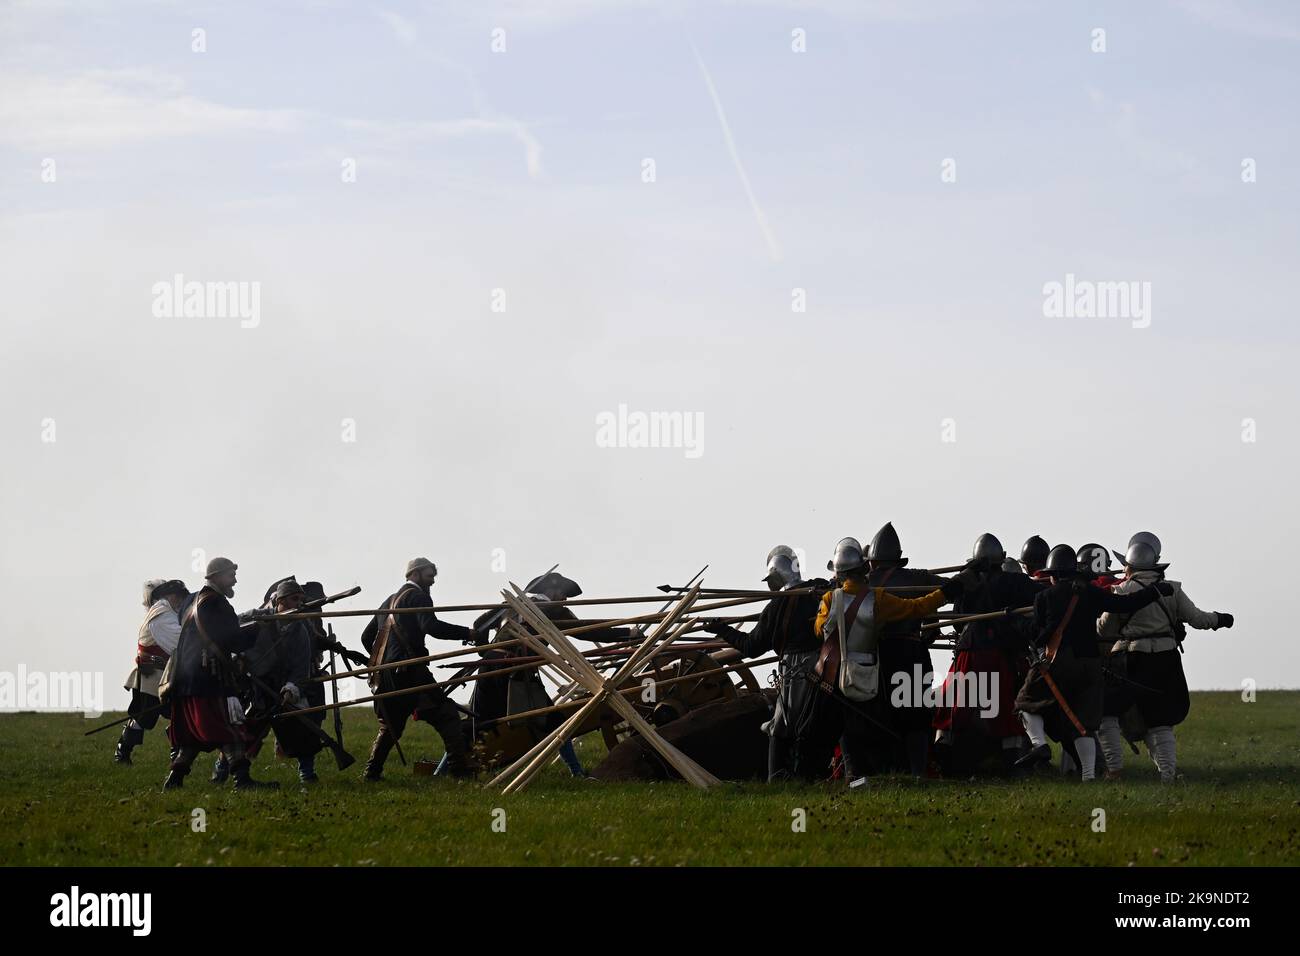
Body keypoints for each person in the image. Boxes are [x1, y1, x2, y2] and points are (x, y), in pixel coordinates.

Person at [805, 537, 971, 784]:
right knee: (873, 721)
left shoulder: (830, 599)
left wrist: (823, 603)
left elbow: (820, 631)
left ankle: (853, 775)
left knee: (845, 725)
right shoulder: (878, 598)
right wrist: (948, 593)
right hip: (870, 669)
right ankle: (892, 772)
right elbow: (916, 608)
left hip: (838, 671)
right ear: (864, 569)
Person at [1014, 545, 1172, 781]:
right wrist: (1155, 591)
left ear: (1053, 574)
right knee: (1085, 722)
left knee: (1025, 702)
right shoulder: (1089, 592)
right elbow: (1125, 604)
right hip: (1090, 664)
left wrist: (1015, 621)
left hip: (1058, 664)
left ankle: (1039, 744)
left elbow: (1038, 635)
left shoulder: (1044, 597)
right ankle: (1088, 776)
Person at [1096, 540, 1234, 782]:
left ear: (1129, 566)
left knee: (1107, 712)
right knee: (1161, 720)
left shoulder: (1122, 590)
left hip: (1130, 658)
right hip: (1166, 658)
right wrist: (1220, 619)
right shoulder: (1172, 589)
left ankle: (1115, 770)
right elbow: (1199, 619)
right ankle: (1167, 776)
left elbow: (1103, 628)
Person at [705, 546, 831, 781]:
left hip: (796, 670)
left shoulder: (776, 607)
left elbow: (751, 647)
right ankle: (802, 775)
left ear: (776, 574)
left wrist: (721, 629)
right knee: (811, 721)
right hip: (826, 664)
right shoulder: (820, 590)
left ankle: (779, 776)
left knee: (783, 725)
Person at [359, 557, 478, 780]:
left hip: (385, 675)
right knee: (447, 715)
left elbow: (367, 638)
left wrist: (384, 661)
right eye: (429, 576)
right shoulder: (419, 596)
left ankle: (371, 773)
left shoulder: (389, 601)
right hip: (410, 672)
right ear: (414, 574)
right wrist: (467, 633)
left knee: (391, 726)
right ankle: (459, 771)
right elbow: (431, 627)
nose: (432, 582)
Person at [164, 557, 277, 790]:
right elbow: (232, 640)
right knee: (230, 731)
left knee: (192, 738)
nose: (234, 579)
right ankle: (242, 780)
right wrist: (259, 627)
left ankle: (174, 781)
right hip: (209, 679)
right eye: (230, 575)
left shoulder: (191, 601)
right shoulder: (217, 603)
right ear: (216, 576)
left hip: (186, 679)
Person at [864, 523, 949, 777]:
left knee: (879, 714)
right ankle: (916, 772)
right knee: (916, 718)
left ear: (873, 561)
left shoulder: (864, 581)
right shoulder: (917, 577)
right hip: (912, 654)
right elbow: (951, 589)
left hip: (877, 657)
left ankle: (885, 770)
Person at [115, 579, 187, 765]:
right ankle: (123, 752)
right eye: (177, 597)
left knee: (178, 714)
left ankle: (177, 754)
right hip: (152, 676)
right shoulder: (161, 613)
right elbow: (178, 641)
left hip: (164, 675)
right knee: (144, 718)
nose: (180, 600)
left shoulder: (167, 612)